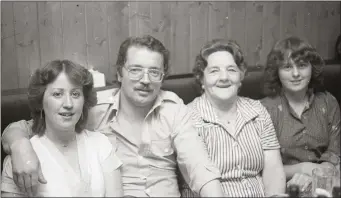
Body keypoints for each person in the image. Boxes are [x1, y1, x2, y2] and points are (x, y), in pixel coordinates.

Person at [1, 35, 224, 197]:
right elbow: (35, 127)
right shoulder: (93, 110)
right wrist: (20, 145)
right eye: (136, 69)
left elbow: (200, 169)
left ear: (162, 76)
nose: (145, 80)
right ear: (119, 72)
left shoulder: (174, 110)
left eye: (154, 72)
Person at [179, 39, 286, 197]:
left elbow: (274, 168)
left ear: (241, 76)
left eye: (231, 70)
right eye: (214, 71)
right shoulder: (187, 117)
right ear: (202, 79)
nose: (224, 77)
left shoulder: (257, 110)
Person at [1, 60, 123, 197]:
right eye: (57, 94)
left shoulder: (101, 144)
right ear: (40, 101)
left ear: (84, 101)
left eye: (75, 94)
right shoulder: (20, 159)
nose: (69, 104)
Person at [261, 37, 340, 194]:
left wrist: (320, 172)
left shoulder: (328, 102)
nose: (296, 73)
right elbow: (261, 166)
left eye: (302, 65)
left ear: (312, 68)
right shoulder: (264, 110)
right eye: (287, 67)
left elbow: (335, 151)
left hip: (325, 182)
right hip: (283, 186)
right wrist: (303, 168)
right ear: (277, 72)